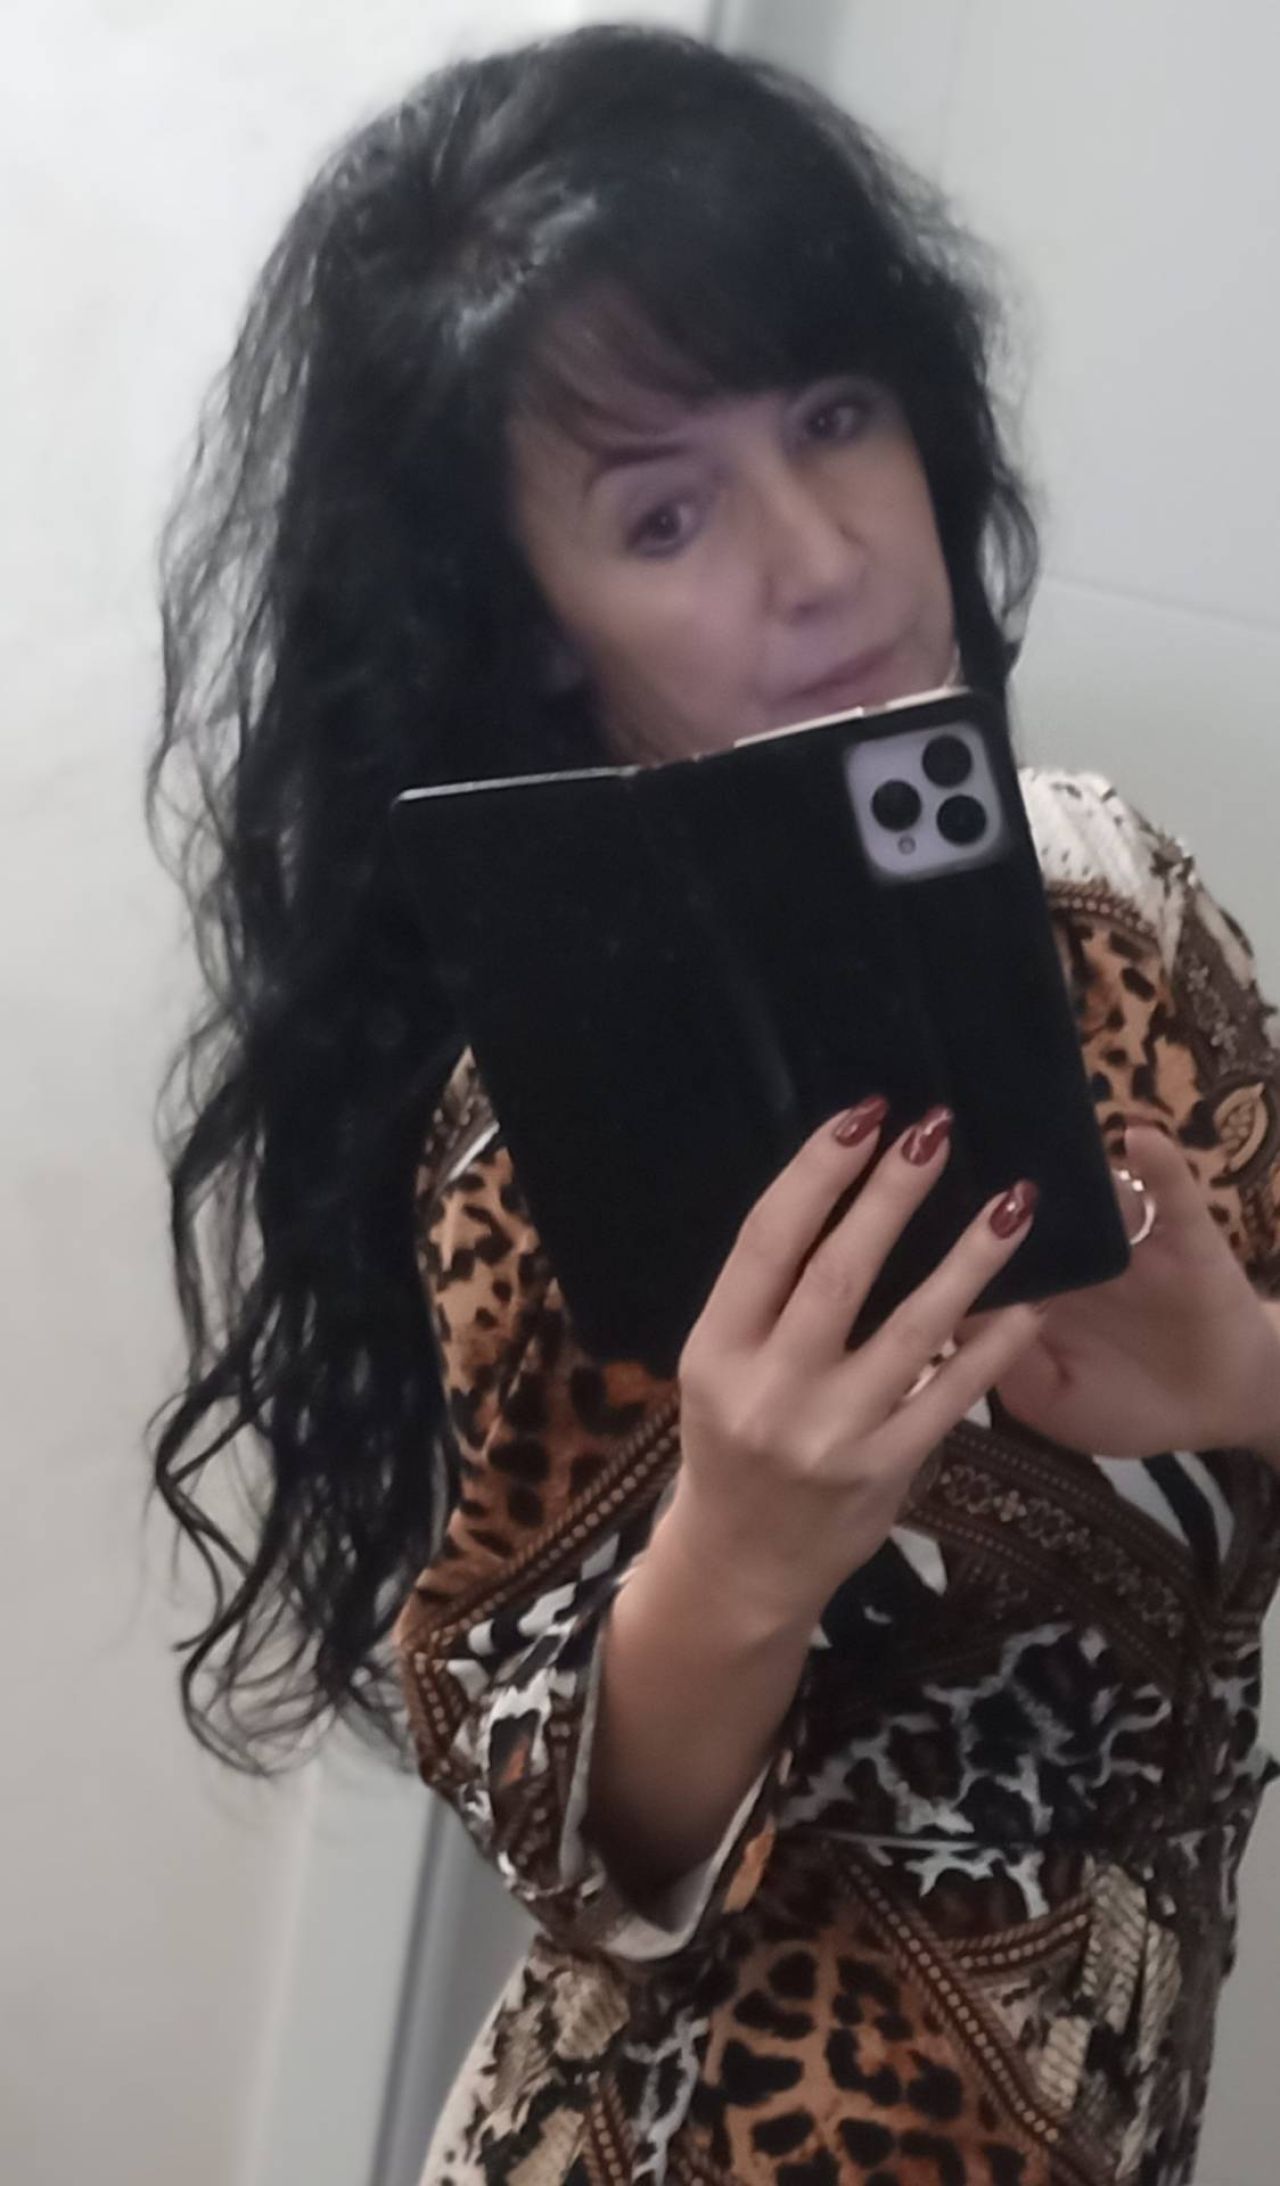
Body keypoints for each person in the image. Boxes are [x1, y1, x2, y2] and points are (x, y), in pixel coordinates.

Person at [145, 23, 1280, 2185]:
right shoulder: (537, 1105)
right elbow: (572, 1844)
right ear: (536, 626)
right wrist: (741, 1553)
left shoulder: (1124, 910)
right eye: (663, 513)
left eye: (836, 415)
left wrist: (1241, 1373)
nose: (824, 554)